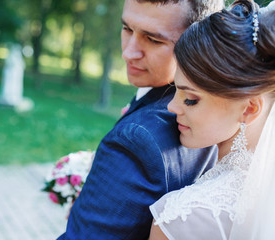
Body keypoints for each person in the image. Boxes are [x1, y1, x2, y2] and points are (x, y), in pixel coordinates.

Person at [58, 0, 223, 239]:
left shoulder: (138, 139)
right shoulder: (217, 116)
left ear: (198, 42)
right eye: (127, 28)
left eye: (154, 40)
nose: (128, 52)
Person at [149, 0, 275, 239]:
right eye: (175, 90)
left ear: (249, 108)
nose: (171, 106)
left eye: (191, 99)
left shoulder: (183, 217)